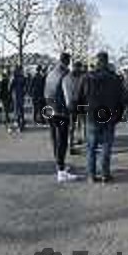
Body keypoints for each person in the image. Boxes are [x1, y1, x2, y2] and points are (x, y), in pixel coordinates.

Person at [80, 51, 124, 183]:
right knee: (106, 147)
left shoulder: (87, 78)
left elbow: (80, 98)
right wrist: (118, 117)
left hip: (92, 116)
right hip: (109, 116)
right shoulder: (115, 78)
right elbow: (121, 100)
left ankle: (91, 175)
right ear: (107, 61)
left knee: (91, 148)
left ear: (97, 62)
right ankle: (105, 174)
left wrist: (82, 113)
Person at [44, 53, 78, 182]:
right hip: (62, 111)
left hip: (50, 109)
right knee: (62, 140)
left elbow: (45, 91)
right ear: (68, 61)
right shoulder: (66, 74)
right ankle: (61, 171)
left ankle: (59, 164)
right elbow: (69, 96)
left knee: (54, 138)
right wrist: (73, 110)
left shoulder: (51, 73)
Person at [63, 61, 85, 154]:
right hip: (79, 104)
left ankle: (71, 143)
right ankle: (80, 140)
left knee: (72, 125)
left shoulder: (66, 78)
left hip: (70, 104)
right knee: (81, 123)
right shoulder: (82, 78)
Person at [9, 65, 27, 132]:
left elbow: (10, 88)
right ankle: (21, 123)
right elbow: (25, 87)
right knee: (21, 110)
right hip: (21, 96)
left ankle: (18, 124)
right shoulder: (23, 78)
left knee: (16, 111)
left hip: (16, 96)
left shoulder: (14, 78)